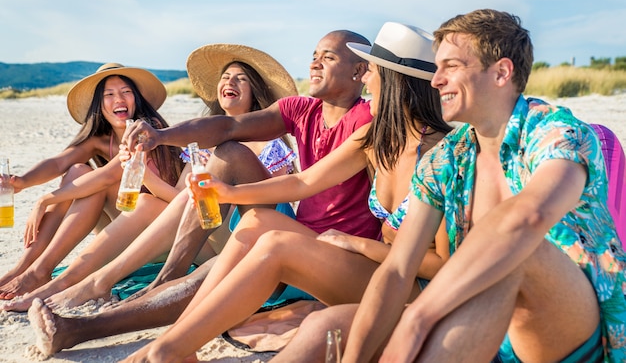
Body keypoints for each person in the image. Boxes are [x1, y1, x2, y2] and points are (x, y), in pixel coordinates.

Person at [28, 28, 380, 356]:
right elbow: (228, 126)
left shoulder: (368, 121)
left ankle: (88, 326)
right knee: (227, 158)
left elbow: (302, 184)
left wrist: (227, 193)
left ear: (359, 72)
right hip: (299, 230)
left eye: (328, 57)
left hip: (335, 250)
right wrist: (160, 136)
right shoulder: (302, 109)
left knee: (218, 271)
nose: (314, 63)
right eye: (314, 55)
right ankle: (92, 319)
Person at [118, 22, 453, 362]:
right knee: (260, 222)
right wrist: (227, 192)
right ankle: (178, 343)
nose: (367, 80)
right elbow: (302, 183)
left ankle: (168, 349)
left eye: (374, 72)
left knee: (276, 244)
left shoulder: (439, 158)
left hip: (413, 285)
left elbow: (443, 265)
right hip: (376, 269)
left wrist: (356, 244)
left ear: (397, 82)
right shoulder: (376, 137)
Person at [325, 9, 626, 362]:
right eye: (437, 68)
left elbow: (527, 217)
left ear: (501, 72)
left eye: (450, 66)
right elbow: (397, 269)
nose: (436, 81)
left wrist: (418, 320)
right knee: (325, 327)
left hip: (573, 332)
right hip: (485, 325)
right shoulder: (445, 159)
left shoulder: (557, 133)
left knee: (516, 251)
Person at [1, 45, 298, 312]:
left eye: (240, 78)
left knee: (145, 201)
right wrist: (23, 182)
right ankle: (55, 275)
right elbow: (179, 198)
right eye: (225, 77)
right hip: (199, 234)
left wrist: (213, 190)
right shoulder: (197, 144)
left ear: (255, 91)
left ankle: (79, 281)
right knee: (126, 191)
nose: (229, 83)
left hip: (238, 237)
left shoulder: (269, 144)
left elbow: (275, 204)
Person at [0, 63, 183, 300]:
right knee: (77, 170)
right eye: (109, 94)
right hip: (122, 225)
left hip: (158, 231)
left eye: (126, 92)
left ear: (136, 99)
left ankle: (41, 270)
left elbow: (109, 175)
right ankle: (27, 266)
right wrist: (22, 182)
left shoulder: (148, 130)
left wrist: (45, 199)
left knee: (99, 180)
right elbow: (58, 163)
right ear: (100, 105)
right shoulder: (99, 140)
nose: (119, 98)